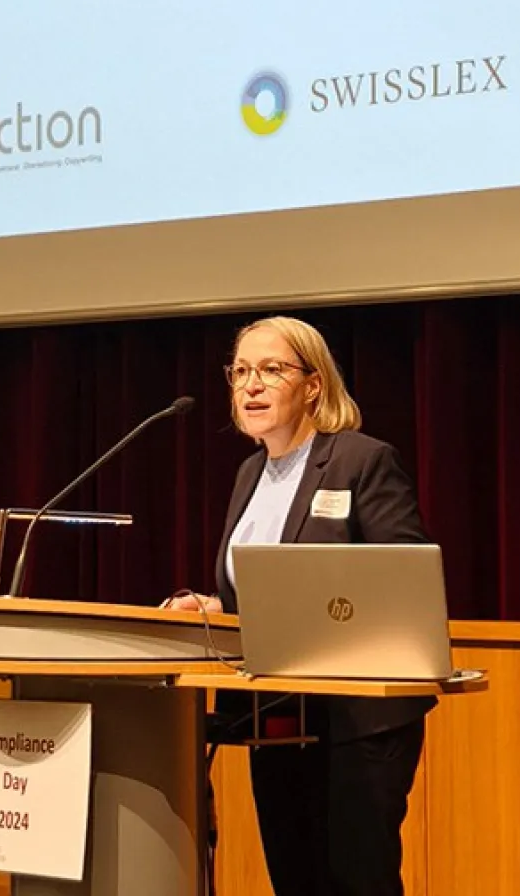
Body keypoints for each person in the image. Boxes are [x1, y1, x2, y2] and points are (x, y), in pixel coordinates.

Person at [166, 315, 435, 896]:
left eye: (270, 370)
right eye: (240, 372)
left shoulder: (360, 461)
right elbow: (262, 591)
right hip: (278, 716)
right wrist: (213, 607)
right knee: (295, 878)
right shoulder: (250, 473)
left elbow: (403, 582)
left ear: (313, 385)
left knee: (355, 881)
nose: (251, 386)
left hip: (357, 720)